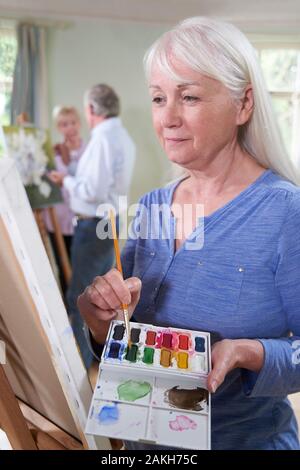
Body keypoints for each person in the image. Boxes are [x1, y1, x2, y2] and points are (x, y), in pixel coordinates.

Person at [77, 17, 300, 450]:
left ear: (243, 104)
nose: (168, 118)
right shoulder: (152, 207)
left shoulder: (286, 212)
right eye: (159, 98)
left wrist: (250, 352)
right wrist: (100, 324)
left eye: (190, 97)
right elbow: (128, 342)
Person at [49, 84, 136, 369]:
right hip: (108, 222)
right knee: (102, 299)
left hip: (94, 225)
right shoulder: (121, 136)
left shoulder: (101, 139)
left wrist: (66, 181)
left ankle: (77, 366)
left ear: (91, 110)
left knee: (82, 299)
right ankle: (93, 360)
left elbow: (92, 191)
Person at [44, 106, 85, 294]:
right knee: (64, 264)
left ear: (79, 123)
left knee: (84, 266)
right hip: (58, 220)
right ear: (58, 127)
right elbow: (46, 181)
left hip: (84, 219)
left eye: (72, 123)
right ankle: (68, 309)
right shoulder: (52, 153)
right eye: (63, 124)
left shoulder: (90, 150)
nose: (69, 128)